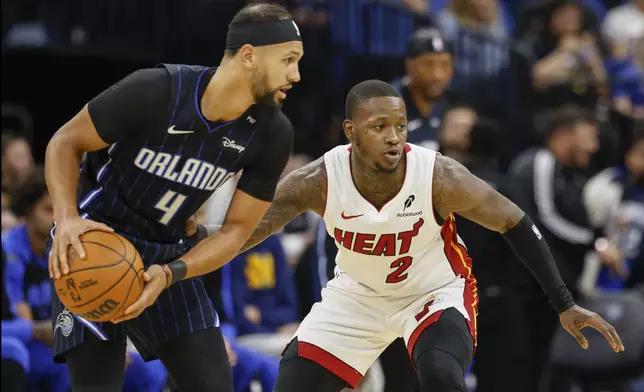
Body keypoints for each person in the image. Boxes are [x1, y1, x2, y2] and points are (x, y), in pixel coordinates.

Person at [225, 79, 624, 392]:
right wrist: (180, 261)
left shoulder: (438, 176)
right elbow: (241, 233)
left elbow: (514, 222)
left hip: (433, 292)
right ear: (351, 131)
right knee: (293, 382)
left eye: (400, 125)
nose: (394, 136)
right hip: (357, 296)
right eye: (379, 127)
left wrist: (564, 303)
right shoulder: (317, 180)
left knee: (439, 375)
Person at [44, 3, 302, 391]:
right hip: (95, 246)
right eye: (288, 60)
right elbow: (65, 141)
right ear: (249, 55)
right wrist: (66, 220)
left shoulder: (272, 133)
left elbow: (234, 232)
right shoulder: (157, 90)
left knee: (214, 384)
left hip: (169, 254)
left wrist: (172, 272)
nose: (295, 75)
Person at [3, 166, 70, 392]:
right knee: (66, 367)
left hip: (56, 337)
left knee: (147, 369)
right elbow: (25, 321)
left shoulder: (69, 246)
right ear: (28, 209)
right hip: (25, 340)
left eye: (61, 210)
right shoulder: (9, 252)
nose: (57, 219)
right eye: (49, 209)